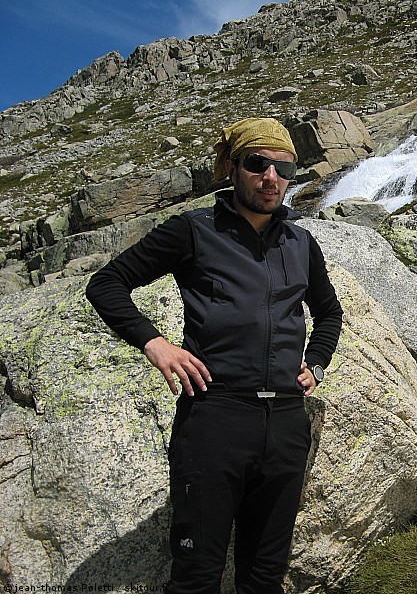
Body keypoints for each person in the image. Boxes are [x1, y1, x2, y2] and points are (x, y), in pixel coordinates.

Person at [86, 117, 343, 593]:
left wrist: (318, 363)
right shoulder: (193, 230)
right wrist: (155, 343)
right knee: (196, 577)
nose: (271, 178)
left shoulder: (302, 243)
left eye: (283, 168)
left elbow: (329, 313)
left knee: (264, 577)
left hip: (286, 424)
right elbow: (106, 284)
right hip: (214, 419)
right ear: (231, 166)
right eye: (257, 163)